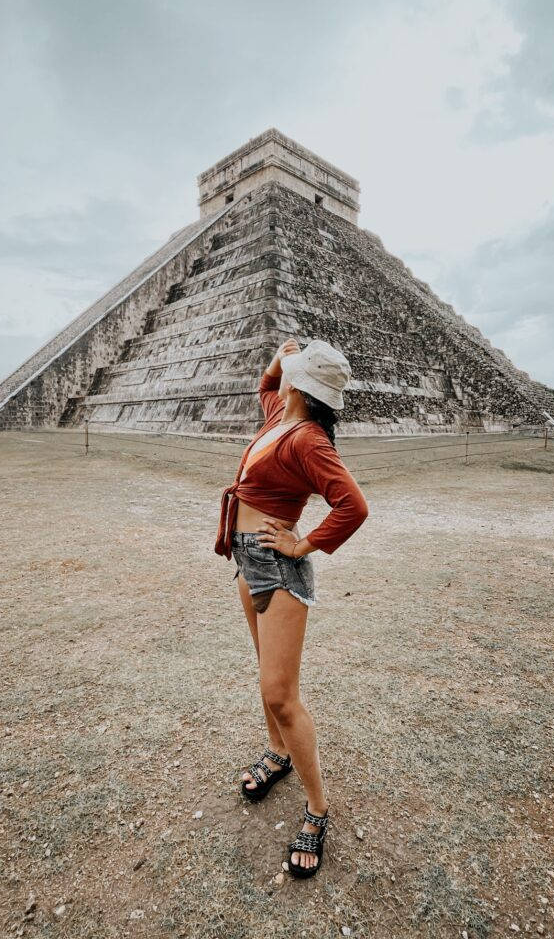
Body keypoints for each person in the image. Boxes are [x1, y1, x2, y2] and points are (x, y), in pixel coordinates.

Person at [214, 337, 369, 878]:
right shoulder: (280, 412)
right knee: (266, 680)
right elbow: (264, 383)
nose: (280, 377)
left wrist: (303, 544)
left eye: (291, 371)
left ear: (302, 384)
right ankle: (277, 754)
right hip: (247, 558)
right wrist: (283, 355)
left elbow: (354, 505)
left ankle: (318, 810)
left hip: (278, 568)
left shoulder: (307, 439)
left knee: (281, 694)